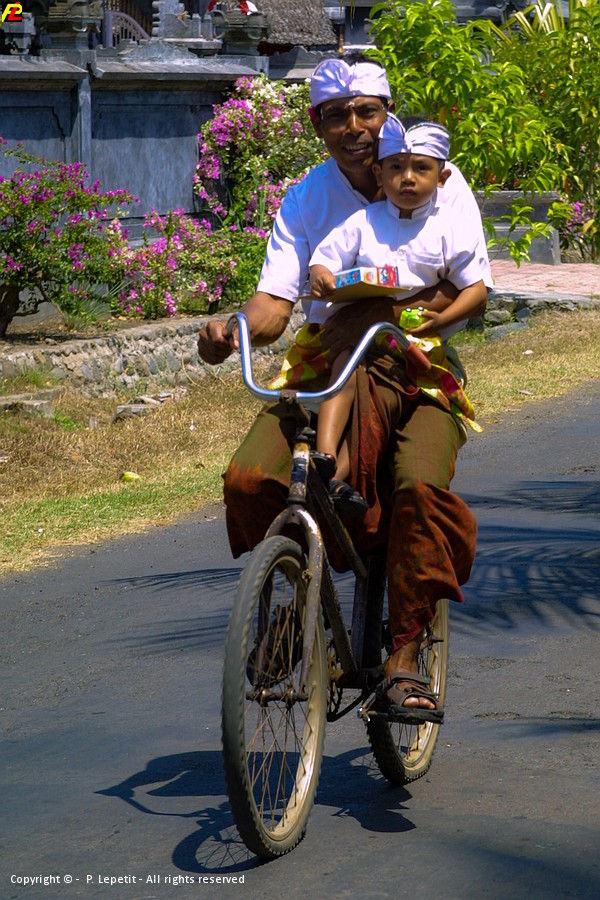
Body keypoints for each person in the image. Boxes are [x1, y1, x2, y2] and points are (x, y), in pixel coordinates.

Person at [197, 54, 491, 722]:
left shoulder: (441, 180)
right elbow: (275, 305)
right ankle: (292, 602)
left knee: (419, 489)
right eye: (337, 116)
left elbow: (464, 284)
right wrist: (230, 332)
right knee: (251, 478)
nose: (354, 127)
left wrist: (402, 309)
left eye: (368, 112)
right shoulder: (307, 198)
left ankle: (405, 655)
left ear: (389, 116)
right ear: (317, 125)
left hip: (418, 369)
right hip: (329, 360)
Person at [309, 115, 488, 516]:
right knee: (345, 371)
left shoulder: (450, 228)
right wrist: (321, 275)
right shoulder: (363, 222)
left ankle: (336, 476)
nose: (407, 178)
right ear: (379, 173)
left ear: (442, 177)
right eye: (395, 168)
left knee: (376, 402)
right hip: (358, 337)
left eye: (421, 168)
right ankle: (325, 456)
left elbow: (476, 291)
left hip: (414, 345)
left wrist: (441, 320)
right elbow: (325, 259)